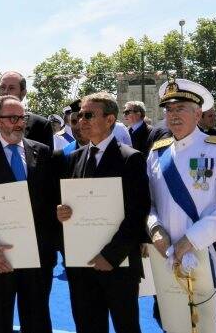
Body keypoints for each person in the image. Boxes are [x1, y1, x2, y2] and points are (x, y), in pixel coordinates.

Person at [147, 78, 216, 333]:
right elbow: (149, 204)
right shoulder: (157, 153)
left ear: (198, 112)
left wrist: (190, 239)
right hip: (167, 256)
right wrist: (155, 229)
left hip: (208, 254)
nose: (173, 115)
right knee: (174, 325)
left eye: (180, 108)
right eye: (169, 109)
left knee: (208, 328)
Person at [56, 92, 150, 333]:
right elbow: (69, 205)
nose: (81, 121)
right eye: (78, 116)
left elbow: (138, 212)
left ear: (110, 120)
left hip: (118, 264)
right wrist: (62, 212)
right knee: (87, 326)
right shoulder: (74, 159)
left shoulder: (131, 159)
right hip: (81, 265)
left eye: (89, 115)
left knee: (126, 326)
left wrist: (110, 256)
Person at [0, 95, 56, 333]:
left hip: (37, 255)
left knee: (37, 318)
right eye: (12, 118)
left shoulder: (42, 152)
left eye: (22, 117)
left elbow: (51, 199)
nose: (19, 123)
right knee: (1, 318)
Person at [0, 71, 53, 149]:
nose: (5, 92)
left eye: (11, 88)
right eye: (2, 87)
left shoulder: (41, 126)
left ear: (23, 93)